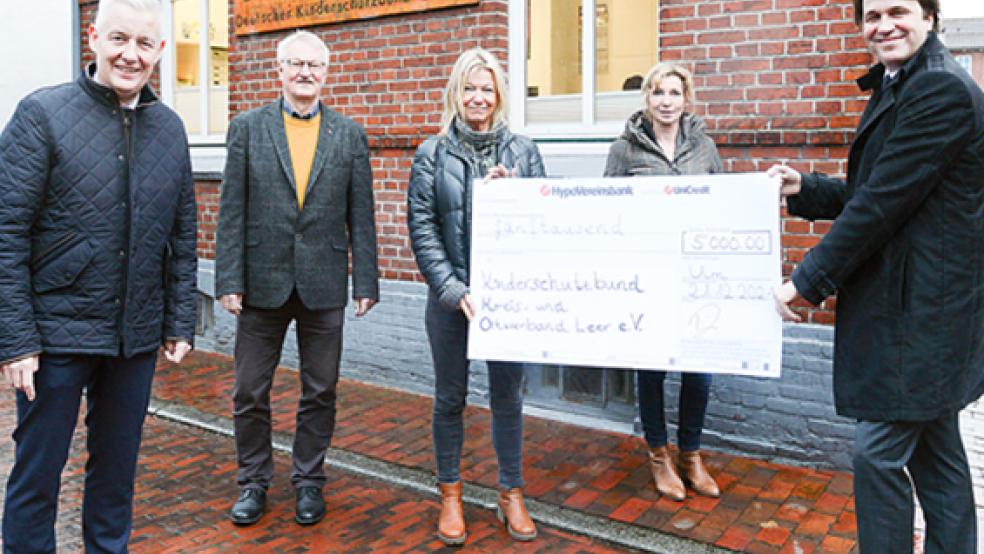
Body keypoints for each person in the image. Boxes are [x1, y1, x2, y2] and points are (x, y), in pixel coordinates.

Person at [770, 1, 983, 551]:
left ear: (930, 17)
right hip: (916, 307)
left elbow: (881, 204)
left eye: (899, 11)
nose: (883, 25)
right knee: (938, 455)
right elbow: (881, 188)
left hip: (920, 314)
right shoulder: (904, 81)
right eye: (872, 16)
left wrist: (808, 278)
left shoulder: (940, 90)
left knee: (877, 452)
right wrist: (807, 188)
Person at [0, 0, 198, 550]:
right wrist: (16, 341)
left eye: (143, 44)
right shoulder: (42, 116)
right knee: (37, 478)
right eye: (119, 39)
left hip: (132, 339)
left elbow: (183, 234)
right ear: (93, 37)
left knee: (115, 479)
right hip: (54, 335)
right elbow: (6, 232)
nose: (130, 55)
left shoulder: (170, 129)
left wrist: (179, 319)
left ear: (160, 51)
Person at [215, 30, 379, 527]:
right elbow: (232, 210)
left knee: (321, 389)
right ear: (279, 70)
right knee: (248, 390)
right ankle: (253, 482)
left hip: (323, 281)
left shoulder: (349, 134)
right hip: (261, 282)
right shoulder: (247, 128)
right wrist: (228, 277)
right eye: (296, 64)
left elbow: (361, 215)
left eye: (315, 65)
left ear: (326, 73)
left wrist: (365, 281)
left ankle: (309, 481)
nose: (306, 72)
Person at [407, 48, 545, 545]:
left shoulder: (523, 152)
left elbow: (546, 220)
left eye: (487, 88)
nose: (478, 97)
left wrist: (518, 192)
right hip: (452, 301)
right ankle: (450, 494)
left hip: (507, 301)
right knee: (450, 399)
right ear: (455, 93)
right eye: (469, 88)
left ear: (499, 95)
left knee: (508, 397)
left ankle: (511, 493)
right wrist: (450, 287)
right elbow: (422, 228)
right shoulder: (432, 152)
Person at [604, 62, 723, 502]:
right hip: (648, 275)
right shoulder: (625, 151)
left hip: (695, 276)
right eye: (659, 93)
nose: (667, 101)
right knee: (651, 371)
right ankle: (659, 455)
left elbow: (723, 202)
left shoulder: (705, 148)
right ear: (647, 99)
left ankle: (690, 454)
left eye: (675, 93)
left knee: (699, 372)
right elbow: (606, 210)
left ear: (686, 99)